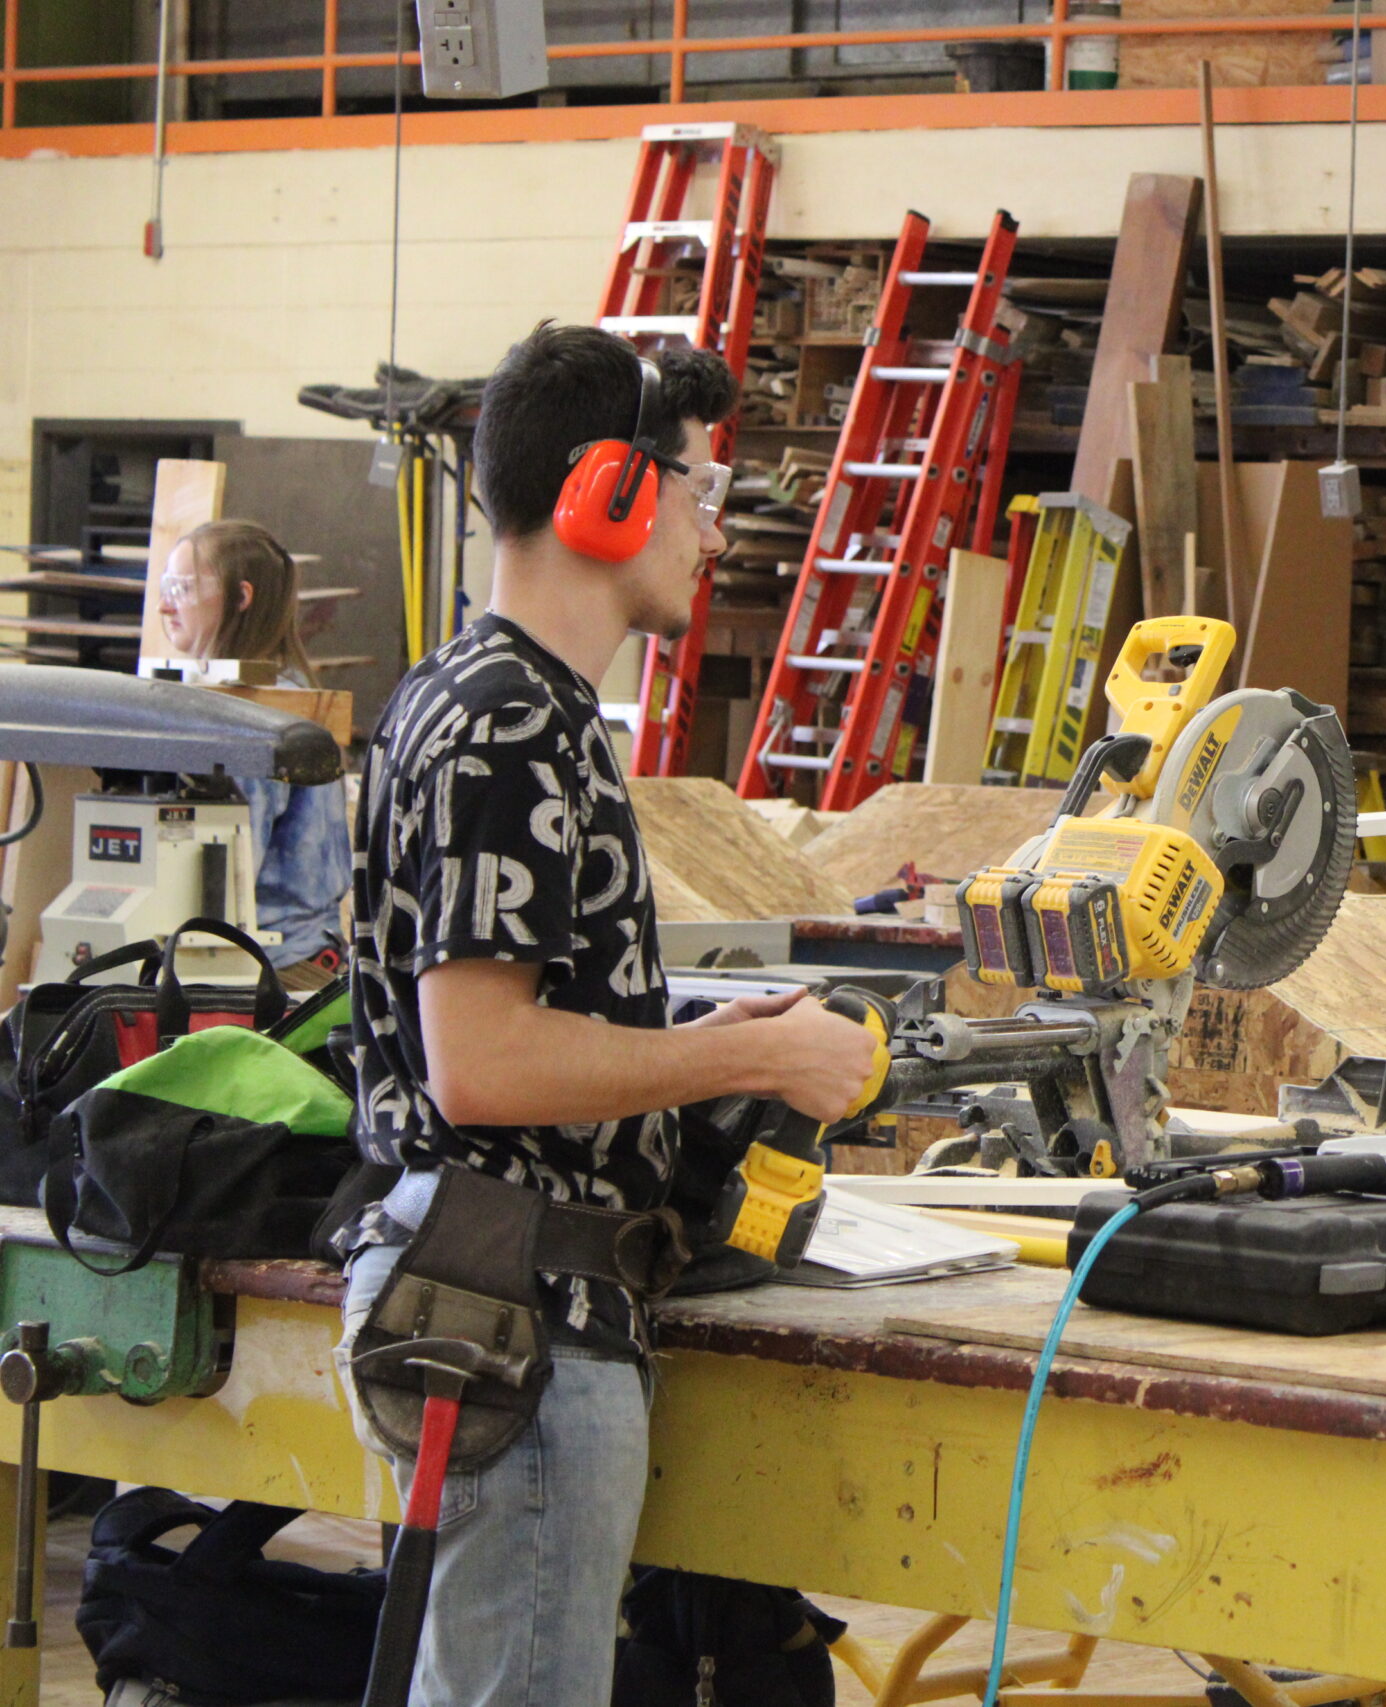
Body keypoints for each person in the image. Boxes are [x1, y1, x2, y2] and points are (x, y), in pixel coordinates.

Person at [335, 321, 878, 1706]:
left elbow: (516, 1009)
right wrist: (757, 1051)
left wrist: (686, 1022)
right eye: (699, 488)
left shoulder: (492, 702)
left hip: (509, 1290)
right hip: (518, 1305)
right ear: (610, 492)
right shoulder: (509, 723)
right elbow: (484, 1059)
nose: (713, 531)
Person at [156, 518, 351, 986]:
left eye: (181, 588)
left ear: (242, 598)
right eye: (166, 587)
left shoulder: (258, 715)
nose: (165, 605)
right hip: (289, 955)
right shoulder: (280, 696)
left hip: (277, 968)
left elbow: (230, 876)